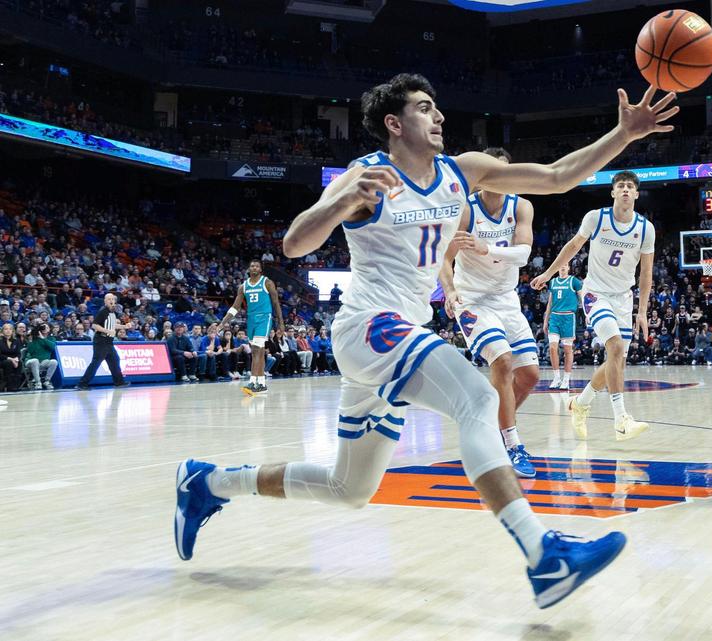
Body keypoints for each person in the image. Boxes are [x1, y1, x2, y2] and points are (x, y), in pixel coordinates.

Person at [173, 73, 677, 607]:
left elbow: (555, 177)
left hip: (398, 335)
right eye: (424, 108)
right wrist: (341, 204)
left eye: (437, 109)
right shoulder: (367, 176)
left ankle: (209, 483)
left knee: (350, 489)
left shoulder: (462, 172)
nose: (439, 118)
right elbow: (295, 242)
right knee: (480, 397)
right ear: (395, 124)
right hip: (367, 325)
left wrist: (623, 135)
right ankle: (544, 557)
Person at [531, 171, 657, 442]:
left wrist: (643, 310)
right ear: (612, 192)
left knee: (617, 361)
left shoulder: (646, 228)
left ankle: (581, 402)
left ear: (636, 194)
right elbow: (572, 246)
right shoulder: (596, 218)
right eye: (620, 186)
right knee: (614, 347)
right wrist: (548, 273)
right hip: (595, 293)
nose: (625, 190)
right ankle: (621, 420)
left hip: (624, 298)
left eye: (630, 187)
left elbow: (646, 274)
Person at [440, 148, 541, 478]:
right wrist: (451, 291)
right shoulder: (466, 209)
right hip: (472, 299)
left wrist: (487, 248)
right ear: (481, 175)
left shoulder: (521, 206)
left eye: (503, 170)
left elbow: (524, 255)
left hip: (506, 299)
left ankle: (490, 428)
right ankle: (512, 444)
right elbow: (444, 258)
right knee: (501, 360)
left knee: (529, 377)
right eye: (491, 171)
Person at [217, 260, 284, 395]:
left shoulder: (267, 282)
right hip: (251, 319)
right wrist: (223, 322)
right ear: (249, 268)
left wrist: (281, 323)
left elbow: (276, 302)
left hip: (264, 317)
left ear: (260, 269)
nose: (254, 267)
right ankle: (261, 384)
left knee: (256, 349)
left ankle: (253, 382)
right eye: (252, 265)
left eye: (257, 266)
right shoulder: (243, 286)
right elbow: (235, 307)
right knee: (256, 352)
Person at [76, 293, 132, 390]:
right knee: (96, 363)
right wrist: (107, 331)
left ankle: (119, 382)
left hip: (108, 342)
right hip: (101, 341)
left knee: (115, 361)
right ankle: (82, 384)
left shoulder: (112, 313)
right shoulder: (103, 312)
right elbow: (94, 325)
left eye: (113, 299)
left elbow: (112, 325)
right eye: (109, 299)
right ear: (105, 301)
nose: (111, 300)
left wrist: (124, 326)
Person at [544, 264, 583, 390]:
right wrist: (546, 320)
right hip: (554, 317)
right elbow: (550, 303)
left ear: (569, 268)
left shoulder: (574, 281)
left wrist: (588, 314)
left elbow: (582, 298)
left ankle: (566, 379)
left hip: (568, 317)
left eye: (565, 265)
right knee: (552, 348)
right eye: (561, 265)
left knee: (567, 350)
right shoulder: (553, 282)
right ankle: (556, 378)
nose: (562, 267)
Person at [23, 323, 58, 390]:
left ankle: (47, 381)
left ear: (49, 329)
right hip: (31, 361)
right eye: (43, 327)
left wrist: (43, 338)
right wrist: (30, 340)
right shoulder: (34, 338)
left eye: (47, 327)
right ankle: (37, 382)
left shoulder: (51, 338)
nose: (45, 328)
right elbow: (31, 351)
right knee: (35, 360)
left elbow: (52, 347)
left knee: (54, 361)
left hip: (43, 362)